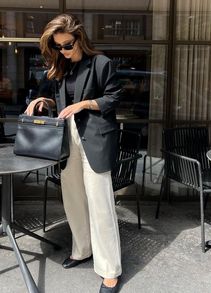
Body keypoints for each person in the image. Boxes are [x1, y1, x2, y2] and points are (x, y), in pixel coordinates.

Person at [25, 13, 122, 293]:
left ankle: (110, 270)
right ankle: (82, 250)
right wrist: (44, 100)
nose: (64, 51)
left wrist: (84, 104)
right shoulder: (62, 68)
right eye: (58, 47)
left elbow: (114, 97)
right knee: (74, 201)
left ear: (80, 39)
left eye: (68, 45)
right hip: (68, 140)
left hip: (95, 140)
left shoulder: (101, 63)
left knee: (101, 206)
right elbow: (63, 102)